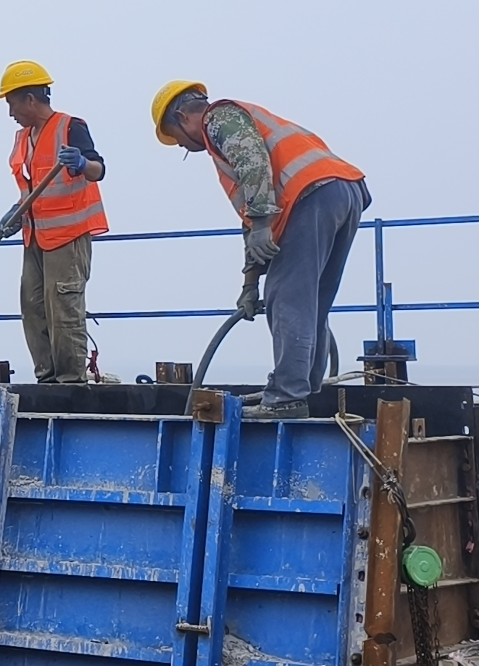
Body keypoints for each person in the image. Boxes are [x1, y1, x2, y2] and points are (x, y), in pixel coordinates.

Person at [152, 81, 369, 418]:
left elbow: (254, 165)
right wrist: (250, 284)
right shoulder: (239, 131)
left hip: (310, 195)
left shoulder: (219, 118)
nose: (182, 145)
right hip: (342, 192)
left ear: (182, 116)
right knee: (312, 301)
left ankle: (286, 398)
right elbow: (251, 223)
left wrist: (264, 224)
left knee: (287, 297)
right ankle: (301, 388)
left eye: (176, 138)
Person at [0, 61, 108, 384]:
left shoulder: (70, 127)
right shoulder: (23, 138)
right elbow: (33, 189)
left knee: (63, 307)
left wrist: (82, 162)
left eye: (11, 103)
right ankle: (46, 378)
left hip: (67, 236)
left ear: (30, 99)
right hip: (34, 236)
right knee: (32, 306)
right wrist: (17, 212)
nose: (10, 113)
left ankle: (71, 382)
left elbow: (98, 169)